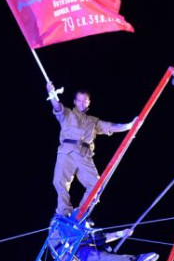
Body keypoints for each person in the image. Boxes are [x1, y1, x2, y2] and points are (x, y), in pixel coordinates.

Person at [46, 82, 137, 217]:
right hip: (67, 152)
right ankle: (64, 212)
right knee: (60, 182)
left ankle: (81, 213)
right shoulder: (68, 114)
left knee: (96, 185)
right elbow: (57, 107)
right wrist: (52, 93)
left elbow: (111, 127)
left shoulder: (93, 121)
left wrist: (129, 126)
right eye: (79, 101)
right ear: (75, 102)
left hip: (84, 155)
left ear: (89, 102)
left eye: (85, 101)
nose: (82, 104)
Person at [48, 215, 159, 261]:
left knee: (98, 243)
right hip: (76, 259)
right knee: (104, 259)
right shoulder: (57, 233)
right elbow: (60, 251)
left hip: (78, 249)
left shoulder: (75, 229)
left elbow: (101, 237)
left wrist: (121, 233)